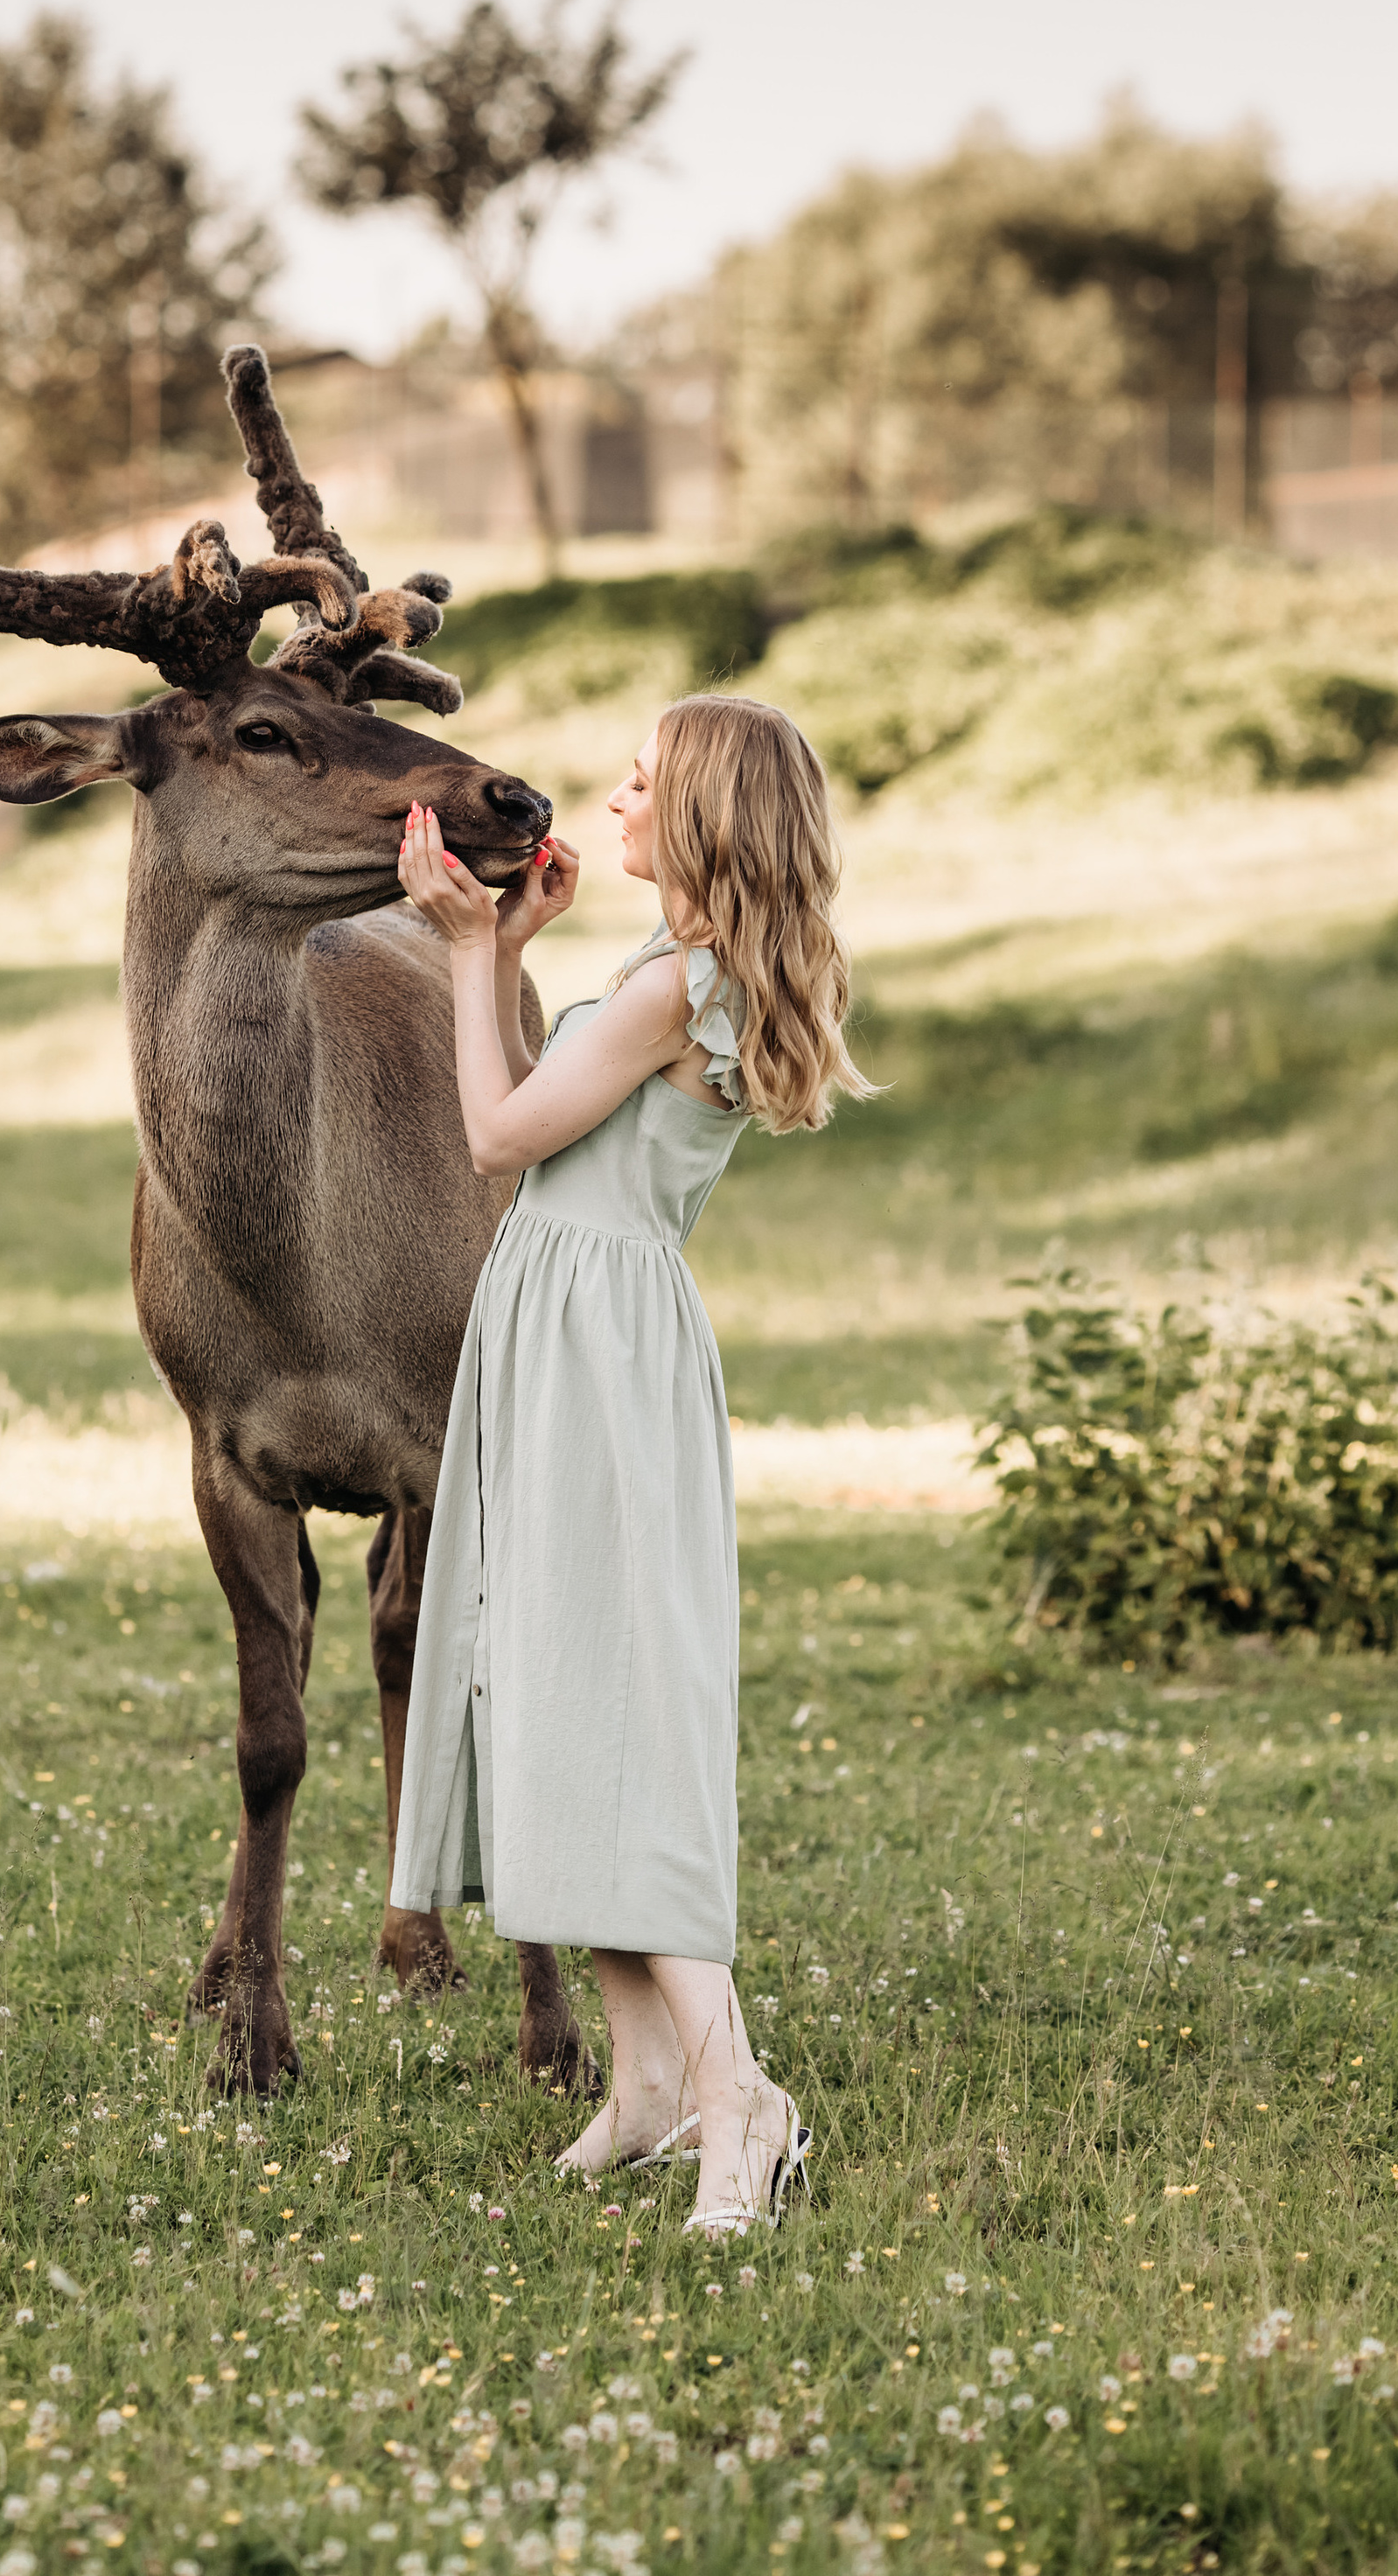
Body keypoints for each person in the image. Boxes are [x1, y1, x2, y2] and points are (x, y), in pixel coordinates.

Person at [388, 691, 873, 2237]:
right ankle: (649, 2084)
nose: (610, 797)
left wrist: (473, 956)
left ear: (708, 817)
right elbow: (561, 1126)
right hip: (581, 1331)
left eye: (643, 781)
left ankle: (740, 2097)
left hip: (593, 1352)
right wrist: (521, 963)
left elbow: (497, 1133)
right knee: (557, 1693)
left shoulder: (676, 983)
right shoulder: (679, 974)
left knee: (609, 1712)